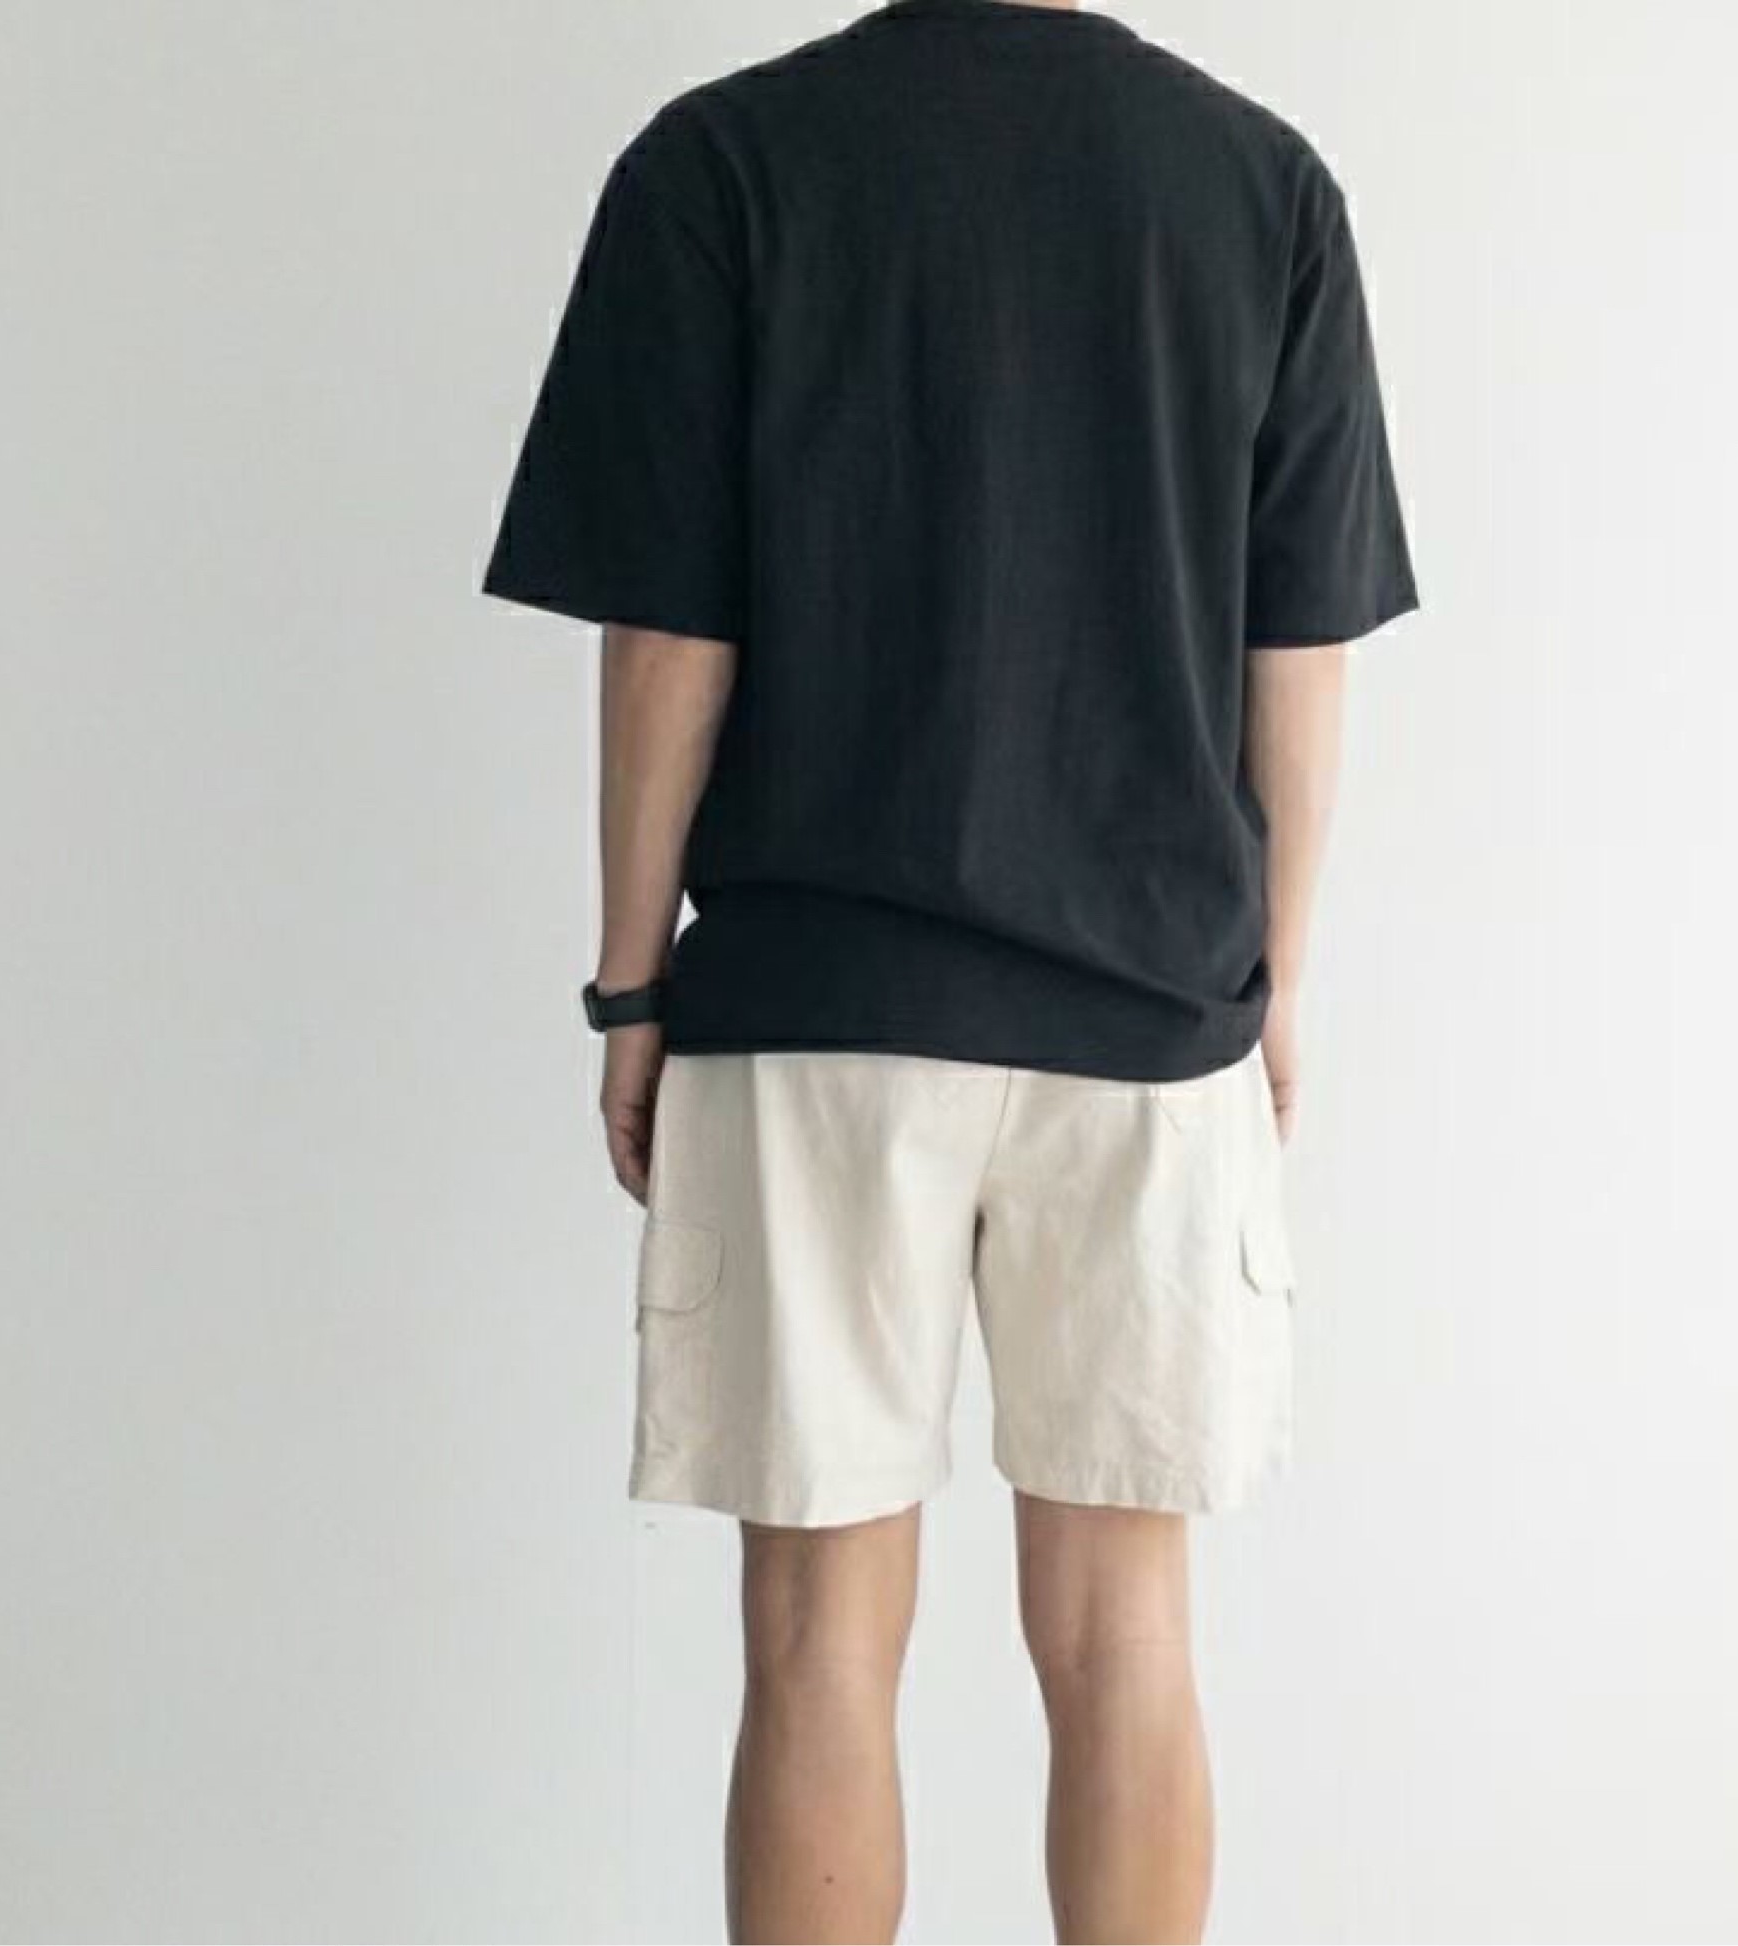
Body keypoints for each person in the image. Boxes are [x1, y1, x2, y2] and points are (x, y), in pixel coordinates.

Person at [481, 1, 1416, 1937]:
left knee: (818, 1632)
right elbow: (1300, 646)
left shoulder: (724, 165)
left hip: (812, 1009)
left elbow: (668, 642)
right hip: (1151, 1015)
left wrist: (632, 984)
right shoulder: (1257, 186)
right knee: (1127, 1629)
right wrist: (1277, 981)